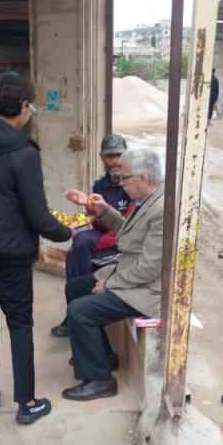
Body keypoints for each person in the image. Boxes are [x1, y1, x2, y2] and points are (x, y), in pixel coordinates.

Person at [0, 73, 74, 425]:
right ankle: (27, 403)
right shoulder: (22, 153)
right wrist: (69, 230)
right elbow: (38, 216)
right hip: (9, 253)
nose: (31, 112)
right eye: (31, 106)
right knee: (20, 324)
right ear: (23, 107)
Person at [60, 147, 165, 401]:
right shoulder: (146, 201)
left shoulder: (161, 210)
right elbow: (127, 233)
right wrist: (104, 210)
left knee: (80, 311)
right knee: (75, 287)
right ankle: (102, 357)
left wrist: (110, 282)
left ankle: (99, 380)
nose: (121, 183)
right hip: (130, 272)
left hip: (147, 288)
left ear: (142, 178)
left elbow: (149, 267)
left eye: (125, 178)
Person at [49, 134, 131, 338]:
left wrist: (103, 231)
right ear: (102, 158)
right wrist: (85, 208)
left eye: (117, 155)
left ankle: (81, 310)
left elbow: (131, 224)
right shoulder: (100, 184)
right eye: (108, 156)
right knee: (78, 244)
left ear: (125, 155)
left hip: (125, 237)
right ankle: (74, 310)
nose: (113, 162)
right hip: (103, 232)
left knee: (86, 242)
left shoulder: (133, 181)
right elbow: (95, 218)